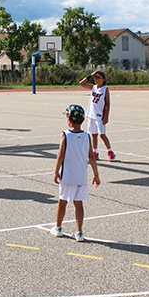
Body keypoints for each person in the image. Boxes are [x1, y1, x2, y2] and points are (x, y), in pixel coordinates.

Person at [50, 104, 101, 242]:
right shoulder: (86, 136)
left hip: (67, 176)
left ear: (69, 120)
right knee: (79, 204)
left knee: (62, 202)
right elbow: (91, 156)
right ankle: (79, 232)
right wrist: (96, 174)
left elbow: (60, 155)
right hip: (81, 177)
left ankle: (58, 227)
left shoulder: (65, 135)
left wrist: (56, 171)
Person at [79, 70, 115, 160]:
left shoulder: (105, 89)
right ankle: (95, 152)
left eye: (99, 77)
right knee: (93, 135)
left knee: (102, 135)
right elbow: (81, 83)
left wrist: (106, 116)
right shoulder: (93, 87)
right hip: (91, 114)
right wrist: (90, 75)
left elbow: (107, 104)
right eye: (95, 77)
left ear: (103, 79)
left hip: (100, 115)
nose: (96, 79)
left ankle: (110, 151)